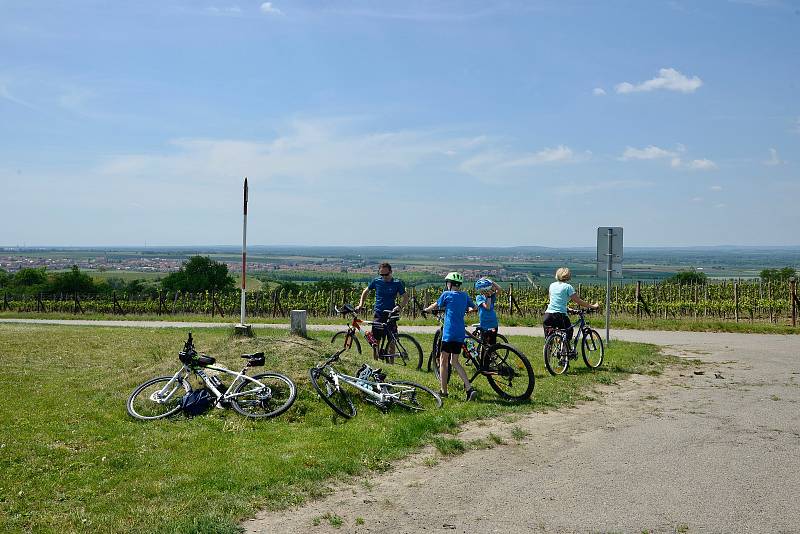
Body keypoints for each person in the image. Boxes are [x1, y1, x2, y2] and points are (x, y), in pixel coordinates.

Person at [423, 272, 478, 401]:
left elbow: (435, 306)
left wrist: (426, 310)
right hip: (460, 333)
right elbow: (474, 307)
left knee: (443, 361)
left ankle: (444, 391)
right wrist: (466, 309)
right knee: (455, 362)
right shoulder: (464, 296)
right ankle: (469, 389)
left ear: (449, 284)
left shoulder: (446, 295)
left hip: (449, 333)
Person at [356, 262, 409, 362]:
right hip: (379, 314)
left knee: (392, 341)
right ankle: (376, 363)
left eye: (386, 274)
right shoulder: (376, 281)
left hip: (391, 314)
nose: (384, 277)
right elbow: (365, 291)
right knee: (376, 341)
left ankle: (391, 364)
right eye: (382, 275)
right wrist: (361, 305)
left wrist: (399, 306)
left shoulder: (397, 283)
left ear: (391, 272)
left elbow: (406, 297)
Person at [543, 267, 599, 352]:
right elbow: (578, 301)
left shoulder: (552, 285)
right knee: (568, 332)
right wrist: (592, 306)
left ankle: (547, 361)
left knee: (548, 339)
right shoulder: (568, 287)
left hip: (548, 315)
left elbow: (554, 301)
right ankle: (564, 355)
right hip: (560, 315)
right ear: (568, 276)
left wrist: (568, 309)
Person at [474, 277, 502, 346]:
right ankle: (484, 357)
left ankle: (492, 355)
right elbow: (487, 307)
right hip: (484, 324)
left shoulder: (492, 296)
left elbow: (499, 289)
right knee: (485, 344)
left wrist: (491, 281)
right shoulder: (479, 297)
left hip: (493, 323)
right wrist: (488, 296)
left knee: (492, 343)